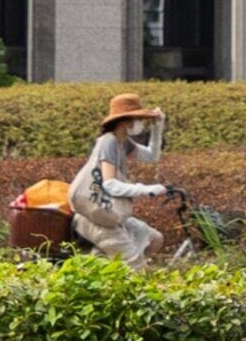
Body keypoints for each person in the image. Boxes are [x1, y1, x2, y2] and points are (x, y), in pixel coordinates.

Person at [69, 91, 174, 266]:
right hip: (95, 215)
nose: (140, 124)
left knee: (154, 239)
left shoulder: (123, 142)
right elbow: (109, 184)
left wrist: (158, 127)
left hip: (110, 213)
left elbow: (152, 157)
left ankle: (111, 270)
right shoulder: (108, 141)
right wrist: (146, 189)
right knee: (133, 262)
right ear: (126, 123)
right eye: (138, 119)